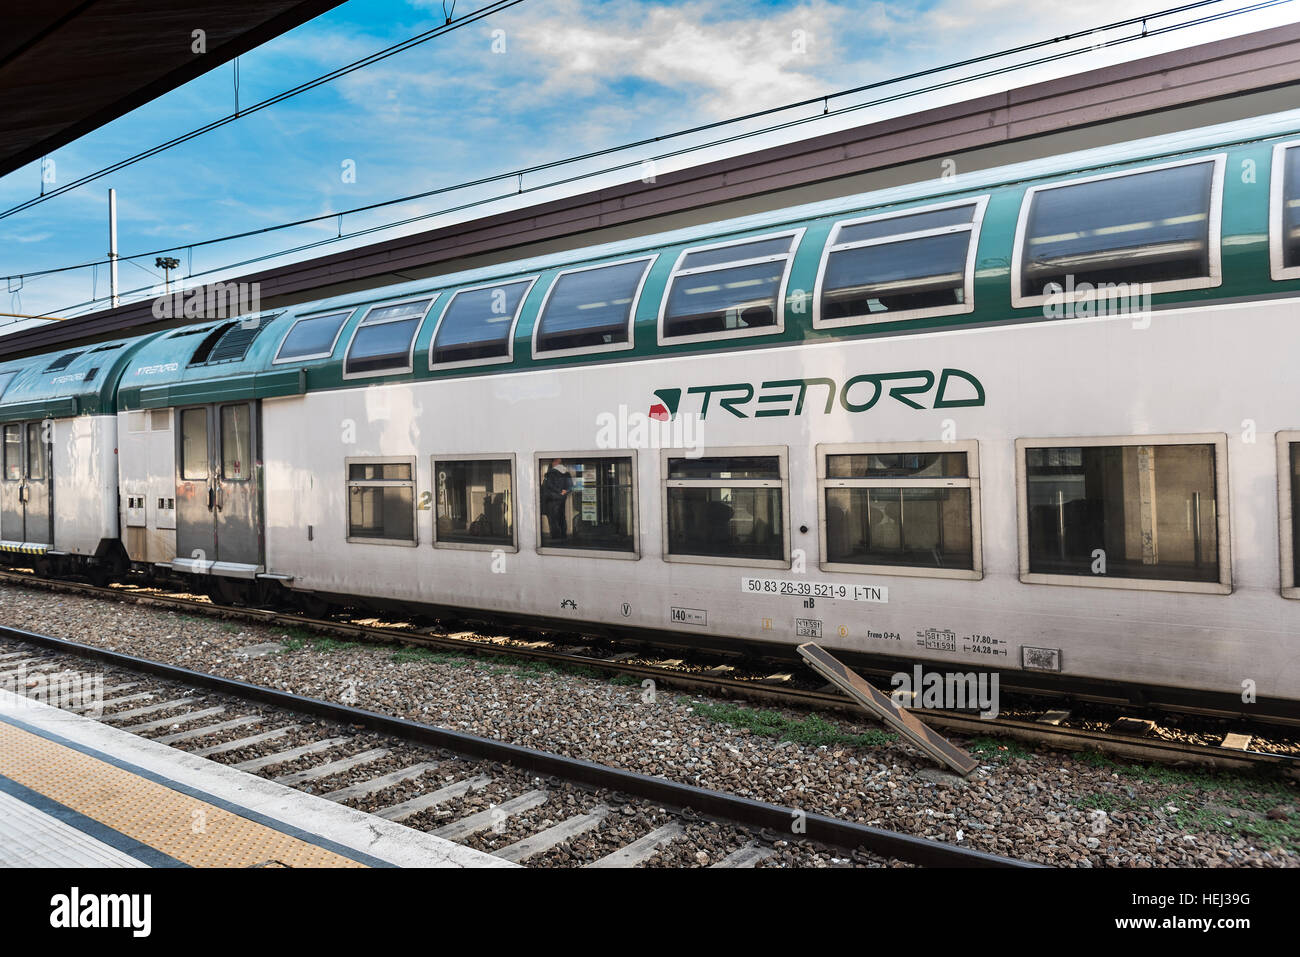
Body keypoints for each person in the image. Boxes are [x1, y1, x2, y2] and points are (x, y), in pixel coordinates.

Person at [541, 458, 572, 542]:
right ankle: (563, 535)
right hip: (561, 498)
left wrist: (558, 491)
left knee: (553, 518)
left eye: (554, 461)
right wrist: (565, 491)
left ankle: (556, 537)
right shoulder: (566, 473)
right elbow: (570, 486)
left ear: (555, 463)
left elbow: (549, 486)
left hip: (551, 498)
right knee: (561, 517)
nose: (553, 463)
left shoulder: (550, 473)